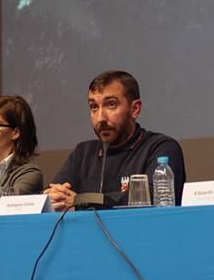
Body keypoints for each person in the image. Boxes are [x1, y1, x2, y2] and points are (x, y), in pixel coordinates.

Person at [44, 71, 186, 211]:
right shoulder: (82, 153)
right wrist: (55, 199)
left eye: (111, 105)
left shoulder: (160, 148)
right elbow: (53, 197)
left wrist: (80, 202)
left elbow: (153, 197)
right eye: (94, 107)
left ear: (135, 109)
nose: (100, 118)